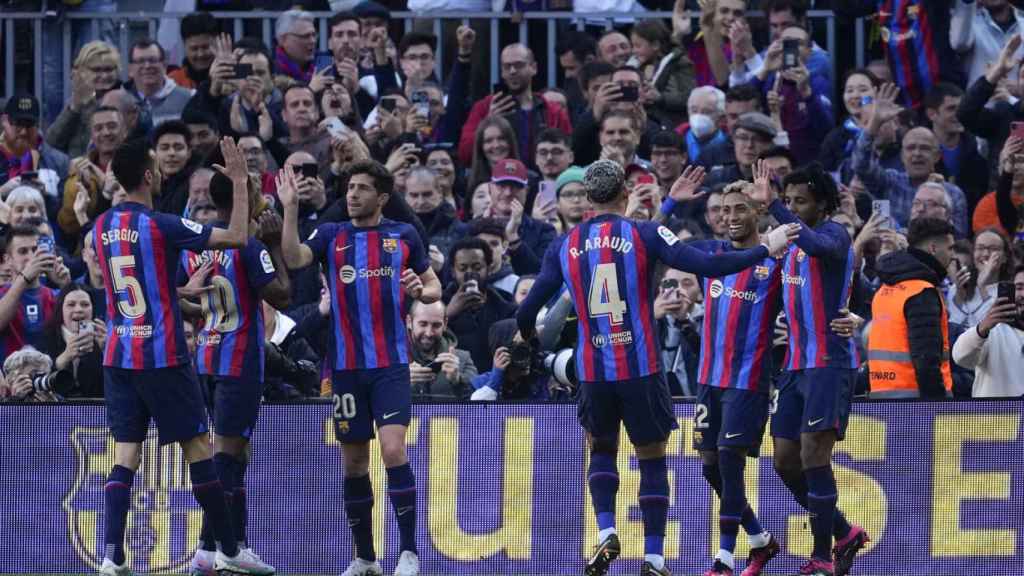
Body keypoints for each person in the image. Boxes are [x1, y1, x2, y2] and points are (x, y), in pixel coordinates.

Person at [516, 159, 797, 576]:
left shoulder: (565, 243)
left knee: (602, 450)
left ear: (589, 199)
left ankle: (607, 530)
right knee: (651, 458)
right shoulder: (644, 233)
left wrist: (534, 339)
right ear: (626, 192)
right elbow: (707, 265)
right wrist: (764, 248)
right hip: (641, 368)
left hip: (593, 371)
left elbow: (528, 310)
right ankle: (653, 559)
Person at [92, 136, 271, 575]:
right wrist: (241, 183)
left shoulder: (99, 227)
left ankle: (112, 556)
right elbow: (236, 236)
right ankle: (229, 549)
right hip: (162, 355)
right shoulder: (161, 224)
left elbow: (125, 280)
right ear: (149, 176)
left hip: (118, 353)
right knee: (198, 447)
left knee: (125, 454)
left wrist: (176, 291)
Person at [279, 159, 441, 576]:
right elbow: (295, 257)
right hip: (346, 369)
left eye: (362, 188)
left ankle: (408, 552)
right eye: (350, 187)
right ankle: (365, 557)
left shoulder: (403, 236)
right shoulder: (332, 235)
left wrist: (420, 290)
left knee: (392, 449)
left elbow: (433, 285)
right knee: (353, 463)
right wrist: (291, 209)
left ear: (382, 197)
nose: (352, 194)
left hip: (390, 365)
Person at [748, 161, 870, 576]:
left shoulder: (833, 235)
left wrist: (858, 319)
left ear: (822, 203)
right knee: (785, 460)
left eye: (801, 201)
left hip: (828, 365)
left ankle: (821, 556)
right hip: (795, 367)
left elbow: (825, 252)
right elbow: (858, 287)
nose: (793, 208)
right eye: (788, 201)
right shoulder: (788, 247)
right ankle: (844, 532)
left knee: (815, 456)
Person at [666, 169, 782, 576]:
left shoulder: (775, 263)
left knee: (731, 464)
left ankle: (725, 560)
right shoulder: (710, 256)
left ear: (757, 213)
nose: (729, 216)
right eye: (723, 210)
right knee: (711, 468)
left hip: (747, 382)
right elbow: (655, 242)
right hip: (708, 382)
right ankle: (761, 540)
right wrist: (671, 204)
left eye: (739, 209)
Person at [182, 171, 292, 575]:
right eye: (257, 191)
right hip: (239, 361)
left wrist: (202, 314)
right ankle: (209, 549)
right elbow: (281, 294)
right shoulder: (246, 243)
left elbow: (185, 300)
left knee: (237, 455)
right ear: (244, 196)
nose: (264, 197)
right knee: (227, 459)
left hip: (205, 361)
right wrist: (276, 246)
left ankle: (239, 543)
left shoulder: (199, 244)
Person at [852, 84, 969, 238]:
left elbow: (959, 241)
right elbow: (860, 165)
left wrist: (937, 201)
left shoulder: (953, 194)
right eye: (910, 148)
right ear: (901, 155)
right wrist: (875, 122)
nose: (917, 153)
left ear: (937, 156)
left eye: (925, 148)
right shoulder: (889, 182)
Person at [867, 217, 955, 398]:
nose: (952, 255)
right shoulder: (921, 291)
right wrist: (936, 403)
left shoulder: (886, 287)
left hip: (880, 396)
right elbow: (926, 361)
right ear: (933, 248)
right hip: (916, 402)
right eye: (950, 248)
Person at [457, 43, 573, 168]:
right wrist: (488, 123)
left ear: (533, 68)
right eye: (507, 67)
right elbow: (465, 155)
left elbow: (568, 154)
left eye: (519, 65)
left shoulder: (553, 111)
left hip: (544, 182)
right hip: (498, 182)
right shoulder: (483, 107)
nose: (512, 71)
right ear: (502, 72)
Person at [443, 236, 517, 372]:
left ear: (489, 268)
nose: (470, 274)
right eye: (463, 268)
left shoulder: (505, 303)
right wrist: (448, 312)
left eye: (477, 267)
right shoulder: (439, 303)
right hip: (454, 379)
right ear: (453, 271)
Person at [952, 265, 1024, 397]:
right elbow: (961, 357)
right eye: (1019, 287)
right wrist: (982, 329)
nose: (1023, 294)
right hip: (996, 416)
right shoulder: (994, 331)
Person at [47, 41, 123, 158]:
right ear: (81, 72)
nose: (104, 76)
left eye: (109, 69)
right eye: (96, 70)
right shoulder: (77, 101)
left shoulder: (124, 100)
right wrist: (75, 106)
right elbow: (51, 144)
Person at [58, 106, 126, 237]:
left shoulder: (139, 165)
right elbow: (67, 226)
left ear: (125, 131)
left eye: (112, 126)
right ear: (92, 136)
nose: (106, 132)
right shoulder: (80, 170)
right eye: (98, 128)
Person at [0, 225, 62, 358]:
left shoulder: (55, 295)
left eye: (35, 250)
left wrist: (64, 284)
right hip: (10, 376)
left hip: (50, 375)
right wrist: (24, 279)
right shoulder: (1, 294)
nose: (31, 257)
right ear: (7, 260)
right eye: (23, 251)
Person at [43, 283, 107, 399]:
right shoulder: (46, 336)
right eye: (71, 305)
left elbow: (116, 385)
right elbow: (38, 380)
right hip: (56, 410)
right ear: (61, 309)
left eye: (85, 304)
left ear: (93, 309)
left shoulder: (104, 337)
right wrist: (64, 358)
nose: (78, 309)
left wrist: (106, 351)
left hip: (96, 409)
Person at [407, 300, 476, 400]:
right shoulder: (390, 361)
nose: (429, 333)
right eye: (423, 324)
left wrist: (458, 381)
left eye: (436, 325)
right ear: (409, 322)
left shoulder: (462, 359)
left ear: (445, 324)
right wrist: (400, 384)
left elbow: (479, 406)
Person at [950, 0, 1024, 88]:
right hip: (979, 100)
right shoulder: (969, 23)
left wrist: (1020, 90)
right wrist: (967, 3)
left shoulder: (1022, 25)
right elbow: (959, 44)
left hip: (1016, 100)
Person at [125, 38, 194, 126]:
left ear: (164, 65)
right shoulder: (120, 101)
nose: (147, 66)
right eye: (140, 61)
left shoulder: (188, 99)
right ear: (130, 69)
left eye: (153, 60)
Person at [169, 12, 219, 90]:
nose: (201, 54)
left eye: (205, 47)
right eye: (194, 49)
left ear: (217, 43)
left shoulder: (231, 79)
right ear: (184, 46)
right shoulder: (172, 81)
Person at [274, 10, 317, 83]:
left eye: (314, 35)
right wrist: (312, 89)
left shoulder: (322, 67)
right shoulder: (271, 71)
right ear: (283, 39)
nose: (313, 41)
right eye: (305, 36)